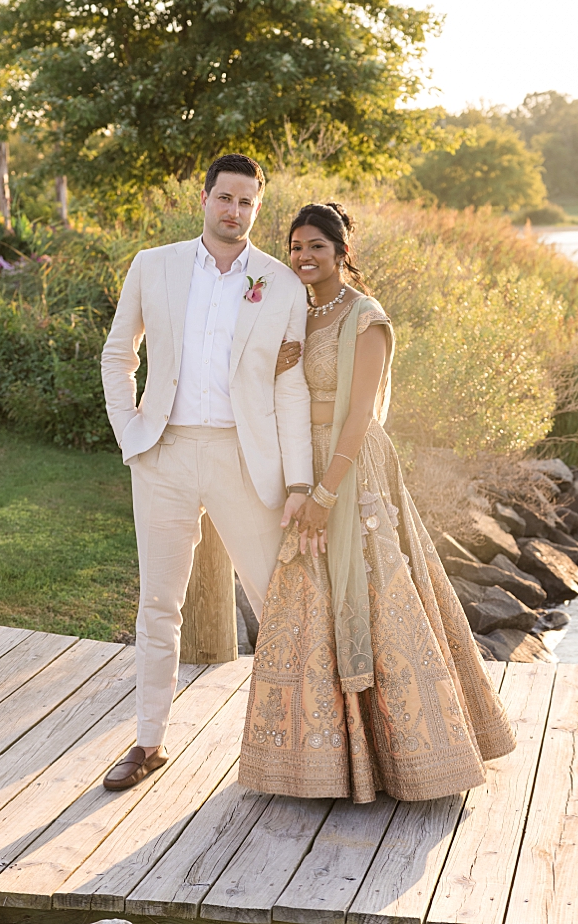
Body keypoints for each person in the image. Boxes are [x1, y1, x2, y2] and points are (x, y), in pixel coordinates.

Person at [239, 203, 515, 802]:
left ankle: (407, 757)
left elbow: (360, 415)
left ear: (342, 252)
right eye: (295, 247)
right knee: (309, 597)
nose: (304, 256)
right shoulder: (297, 316)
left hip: (352, 468)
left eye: (316, 245)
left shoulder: (366, 318)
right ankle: (323, 759)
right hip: (303, 462)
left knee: (375, 593)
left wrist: (326, 491)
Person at [99, 154, 313, 791]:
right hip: (162, 451)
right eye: (226, 198)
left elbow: (293, 389)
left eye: (248, 203)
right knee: (157, 603)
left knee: (276, 601)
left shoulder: (280, 283)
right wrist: (130, 432)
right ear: (204, 198)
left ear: (258, 208)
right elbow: (118, 354)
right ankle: (148, 742)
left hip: (243, 458)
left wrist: (299, 481)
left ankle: (298, 744)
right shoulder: (153, 265)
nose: (235, 212)